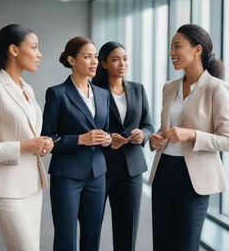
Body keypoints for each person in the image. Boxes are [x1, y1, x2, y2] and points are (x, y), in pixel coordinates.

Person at [0, 24, 53, 251]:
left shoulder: (27, 88)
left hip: (32, 187)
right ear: (14, 50)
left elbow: (28, 133)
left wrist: (41, 144)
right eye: (34, 47)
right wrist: (25, 146)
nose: (39, 54)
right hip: (7, 191)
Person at [149, 24, 229, 251]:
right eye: (170, 47)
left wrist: (192, 134)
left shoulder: (217, 89)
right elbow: (165, 127)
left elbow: (227, 139)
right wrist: (155, 139)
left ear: (197, 50)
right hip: (164, 173)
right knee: (162, 244)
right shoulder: (169, 87)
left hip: (194, 180)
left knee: (185, 245)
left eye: (177, 46)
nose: (171, 53)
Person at [41, 36, 111, 251]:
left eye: (96, 57)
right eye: (87, 57)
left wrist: (107, 139)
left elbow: (105, 130)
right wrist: (80, 139)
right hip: (67, 175)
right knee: (66, 236)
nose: (94, 62)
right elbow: (48, 137)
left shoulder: (102, 94)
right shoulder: (57, 94)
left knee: (92, 235)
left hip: (97, 174)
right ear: (72, 60)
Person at [92, 42, 153, 251]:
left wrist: (142, 135)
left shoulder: (138, 89)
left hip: (132, 169)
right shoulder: (94, 91)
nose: (122, 63)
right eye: (116, 59)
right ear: (104, 63)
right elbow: (89, 126)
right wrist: (109, 137)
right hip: (101, 167)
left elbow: (148, 125)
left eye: (125, 58)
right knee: (92, 227)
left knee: (128, 229)